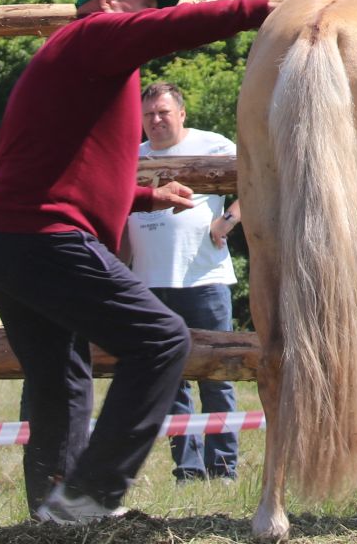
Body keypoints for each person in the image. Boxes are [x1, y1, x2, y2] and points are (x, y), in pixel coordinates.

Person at [0, 0, 276, 524]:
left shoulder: (73, 63)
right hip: (44, 239)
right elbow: (174, 29)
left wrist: (144, 197)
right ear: (110, 0)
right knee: (161, 341)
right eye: (146, 4)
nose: (155, 16)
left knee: (61, 384)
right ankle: (92, 493)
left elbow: (60, 166)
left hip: (4, 240)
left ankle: (54, 517)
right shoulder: (91, 35)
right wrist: (266, 9)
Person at [119, 83, 241, 482]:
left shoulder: (214, 147)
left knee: (216, 375)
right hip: (148, 284)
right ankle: (186, 469)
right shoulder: (130, 156)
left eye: (163, 112)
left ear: (182, 114)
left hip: (203, 279)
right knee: (169, 380)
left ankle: (222, 467)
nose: (155, 120)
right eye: (149, 114)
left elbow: (258, 181)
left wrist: (230, 220)